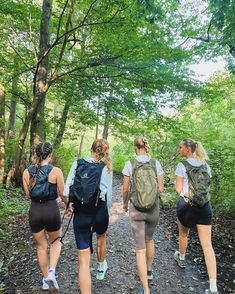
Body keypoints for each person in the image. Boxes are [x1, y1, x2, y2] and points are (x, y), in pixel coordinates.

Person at [64, 139, 112, 294]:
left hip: (81, 214)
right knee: (101, 237)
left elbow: (66, 192)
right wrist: (106, 212)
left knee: (84, 263)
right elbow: (108, 196)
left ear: (91, 149)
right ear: (105, 151)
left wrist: (70, 204)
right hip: (100, 212)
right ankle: (100, 267)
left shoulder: (77, 164)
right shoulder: (106, 168)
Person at [174, 139, 219, 294]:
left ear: (188, 149)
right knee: (207, 245)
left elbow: (178, 189)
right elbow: (207, 188)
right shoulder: (206, 166)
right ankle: (213, 287)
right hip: (205, 207)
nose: (179, 149)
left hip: (187, 207)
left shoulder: (182, 166)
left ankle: (181, 258)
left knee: (183, 233)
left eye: (180, 147)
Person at [22, 142, 67, 291]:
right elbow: (63, 194)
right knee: (56, 241)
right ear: (50, 154)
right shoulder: (56, 171)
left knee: (41, 246)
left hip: (34, 211)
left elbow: (27, 194)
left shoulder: (26, 172)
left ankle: (46, 278)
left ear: (36, 154)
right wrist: (69, 205)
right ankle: (51, 273)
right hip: (51, 210)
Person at [122, 136, 164, 294]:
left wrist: (124, 204)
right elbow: (160, 189)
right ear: (146, 147)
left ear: (135, 147)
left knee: (140, 249)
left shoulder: (130, 164)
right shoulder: (156, 163)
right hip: (153, 209)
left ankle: (145, 289)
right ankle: (149, 270)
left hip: (137, 210)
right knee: (150, 240)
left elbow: (125, 189)